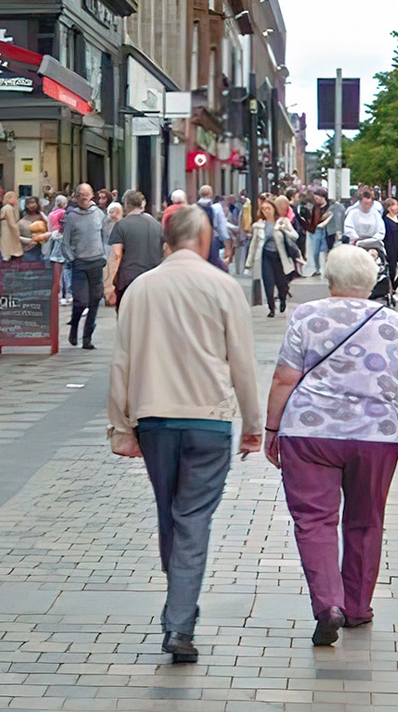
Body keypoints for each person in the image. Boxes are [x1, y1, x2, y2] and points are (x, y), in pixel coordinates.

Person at [109, 203, 262, 662]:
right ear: (205, 238)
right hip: (208, 419)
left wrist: (121, 426)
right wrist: (253, 426)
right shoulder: (223, 286)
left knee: (169, 514)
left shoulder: (140, 288)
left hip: (154, 419)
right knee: (192, 519)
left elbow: (122, 362)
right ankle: (179, 623)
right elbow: (243, 363)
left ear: (166, 241)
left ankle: (179, 613)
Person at [266, 243, 398, 647]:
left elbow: (285, 377)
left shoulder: (306, 315)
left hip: (309, 432)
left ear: (328, 278)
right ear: (372, 282)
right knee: (366, 519)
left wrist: (271, 430)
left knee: (314, 520)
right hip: (377, 436)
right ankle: (356, 607)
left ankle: (328, 605)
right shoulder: (394, 323)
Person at [59, 183, 111, 347]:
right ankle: (74, 328)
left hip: (96, 262)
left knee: (95, 300)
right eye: (80, 194)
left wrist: (105, 256)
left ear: (92, 196)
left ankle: (87, 338)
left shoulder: (99, 214)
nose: (84, 197)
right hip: (79, 263)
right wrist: (72, 259)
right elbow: (64, 242)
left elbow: (106, 237)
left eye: (86, 194)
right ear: (75, 196)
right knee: (80, 301)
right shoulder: (71, 216)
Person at [107, 190, 166, 309]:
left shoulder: (121, 226)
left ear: (126, 204)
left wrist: (109, 286)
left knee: (127, 318)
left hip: (128, 279)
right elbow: (165, 250)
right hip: (153, 278)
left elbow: (117, 255)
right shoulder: (156, 225)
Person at [342, 186, 385, 253]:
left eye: (369, 203)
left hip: (373, 245)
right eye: (365, 203)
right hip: (356, 245)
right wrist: (357, 239)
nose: (367, 205)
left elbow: (381, 230)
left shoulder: (376, 214)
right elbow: (348, 228)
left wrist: (374, 239)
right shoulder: (353, 213)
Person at [0, 190, 24, 266]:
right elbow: (12, 223)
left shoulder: (5, 208)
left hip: (5, 232)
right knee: (10, 249)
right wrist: (18, 233)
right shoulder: (9, 209)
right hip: (9, 233)